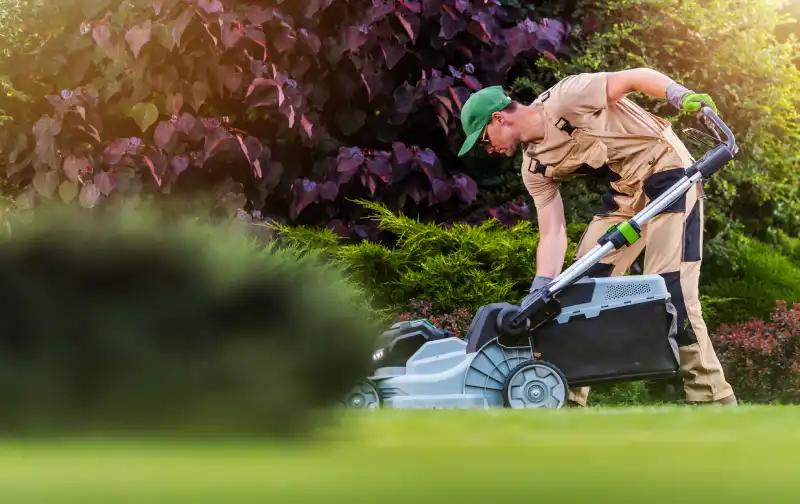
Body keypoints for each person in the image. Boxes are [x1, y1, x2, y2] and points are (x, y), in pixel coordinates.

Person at [456, 68, 737, 407]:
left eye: (484, 140)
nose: (488, 150)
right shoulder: (534, 167)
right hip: (627, 194)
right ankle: (566, 397)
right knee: (576, 291)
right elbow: (553, 230)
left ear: (498, 119)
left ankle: (712, 400)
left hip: (668, 172)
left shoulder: (568, 97)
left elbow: (635, 77)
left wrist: (679, 94)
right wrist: (542, 287)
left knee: (673, 288)